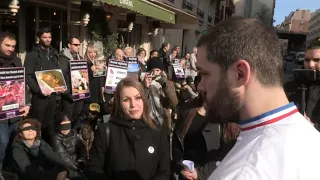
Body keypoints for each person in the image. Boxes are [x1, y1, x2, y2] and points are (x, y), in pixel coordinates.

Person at [195, 17, 320, 180]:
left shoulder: (244, 173)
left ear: (240, 74)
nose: (200, 87)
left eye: (205, 74)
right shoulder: (309, 137)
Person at [86, 77, 170, 179]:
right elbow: (94, 169)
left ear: (144, 99)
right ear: (119, 103)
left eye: (138, 98)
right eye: (126, 100)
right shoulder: (106, 131)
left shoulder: (157, 130)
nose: (133, 105)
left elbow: (164, 171)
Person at [0, 31, 30, 180]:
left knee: (13, 143)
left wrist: (27, 103)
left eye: (13, 46)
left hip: (15, 111)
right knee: (2, 142)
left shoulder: (17, 61)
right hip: (1, 114)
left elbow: (22, 84)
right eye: (7, 45)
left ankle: (10, 169)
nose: (11, 48)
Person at [24, 27, 60, 139]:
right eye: (45, 37)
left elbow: (56, 73)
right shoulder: (32, 55)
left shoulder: (54, 52)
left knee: (50, 125)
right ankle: (35, 145)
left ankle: (47, 147)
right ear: (39, 38)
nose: (48, 39)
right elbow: (27, 76)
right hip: (39, 97)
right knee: (37, 125)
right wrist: (39, 90)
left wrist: (59, 86)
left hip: (52, 96)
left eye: (49, 37)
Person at [284, 37, 320, 131]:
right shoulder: (292, 84)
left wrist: (312, 127)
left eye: (317, 60)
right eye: (307, 60)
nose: (311, 65)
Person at [51, 113, 87, 180]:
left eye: (67, 126)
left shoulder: (74, 133)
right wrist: (76, 167)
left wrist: (82, 159)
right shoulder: (56, 138)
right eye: (63, 126)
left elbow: (81, 147)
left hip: (78, 162)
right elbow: (63, 156)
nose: (65, 130)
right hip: (66, 166)